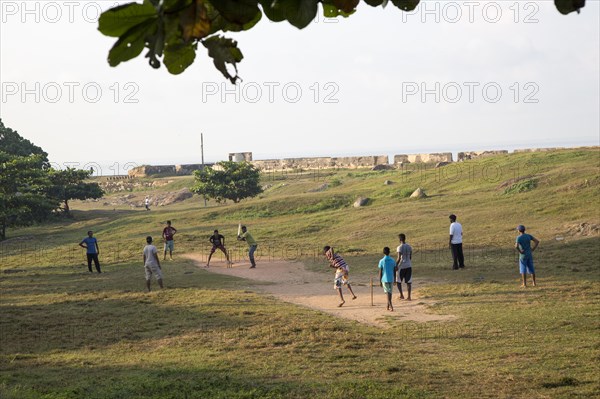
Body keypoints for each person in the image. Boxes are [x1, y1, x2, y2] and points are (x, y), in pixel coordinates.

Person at [378, 247, 397, 311]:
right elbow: (394, 271)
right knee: (390, 292)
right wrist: (395, 279)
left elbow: (380, 272)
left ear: (383, 252)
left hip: (384, 278)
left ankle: (391, 305)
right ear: (389, 252)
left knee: (387, 292)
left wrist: (380, 281)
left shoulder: (381, 261)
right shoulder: (393, 260)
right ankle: (388, 306)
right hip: (391, 278)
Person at [396, 233, 413, 301]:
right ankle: (409, 297)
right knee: (408, 282)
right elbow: (410, 257)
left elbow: (399, 258)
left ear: (400, 239)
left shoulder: (399, 247)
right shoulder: (409, 246)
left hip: (402, 266)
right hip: (409, 265)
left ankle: (401, 295)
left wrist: (395, 265)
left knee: (398, 281)